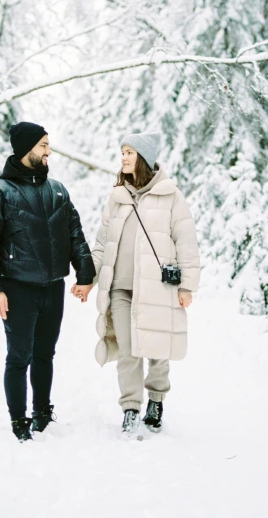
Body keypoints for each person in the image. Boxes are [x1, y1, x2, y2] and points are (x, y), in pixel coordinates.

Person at [0, 122, 95, 442]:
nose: (48, 151)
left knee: (45, 354)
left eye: (48, 145)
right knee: (19, 357)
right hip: (18, 288)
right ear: (26, 148)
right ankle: (19, 420)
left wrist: (85, 274)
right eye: (43, 145)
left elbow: (75, 235)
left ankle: (42, 411)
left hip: (53, 287)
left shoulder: (57, 189)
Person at [72, 132, 199, 436]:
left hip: (156, 288)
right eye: (122, 153)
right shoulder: (117, 198)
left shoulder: (171, 196)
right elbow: (103, 243)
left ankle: (156, 400)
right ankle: (130, 407)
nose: (124, 158)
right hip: (120, 287)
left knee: (157, 348)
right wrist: (86, 277)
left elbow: (187, 243)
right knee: (128, 351)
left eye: (129, 152)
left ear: (143, 157)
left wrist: (187, 286)